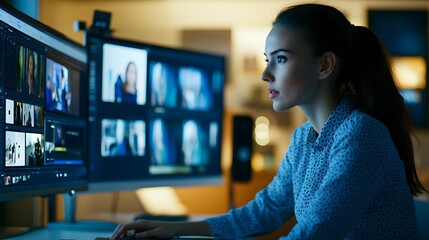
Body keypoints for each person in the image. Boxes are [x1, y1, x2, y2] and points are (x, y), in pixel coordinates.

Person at [110, 3, 427, 239]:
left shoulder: (361, 133)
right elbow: (265, 211)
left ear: (324, 65)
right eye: (267, 60)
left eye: (281, 59)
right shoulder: (304, 139)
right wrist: (171, 229)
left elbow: (317, 231)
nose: (266, 74)